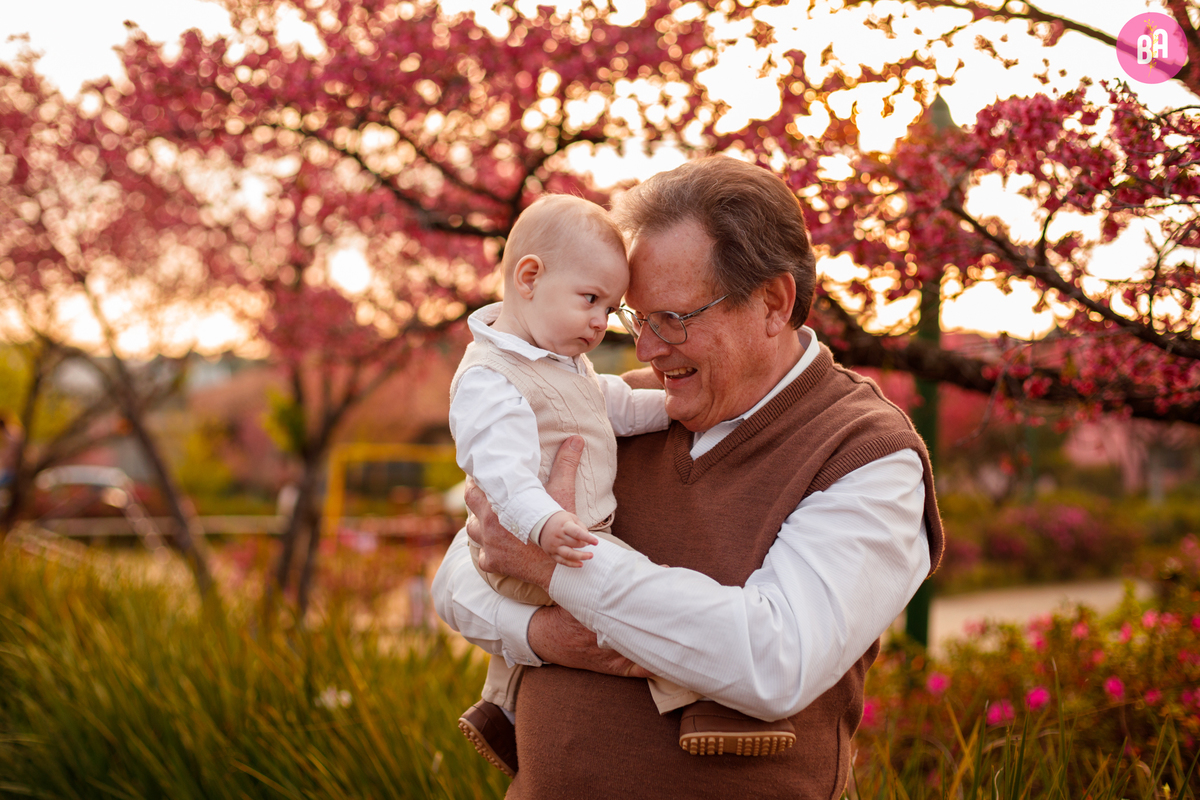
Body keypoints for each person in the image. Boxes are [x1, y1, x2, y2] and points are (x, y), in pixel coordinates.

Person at [433, 157, 945, 798]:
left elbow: (772, 661)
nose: (644, 349)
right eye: (635, 318)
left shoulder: (866, 454)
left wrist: (560, 570)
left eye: (673, 318)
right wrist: (539, 633)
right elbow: (460, 573)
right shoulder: (612, 409)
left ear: (773, 303)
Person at [448, 194, 796, 779]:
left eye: (612, 309)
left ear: (773, 303)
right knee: (647, 601)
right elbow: (501, 475)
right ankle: (704, 704)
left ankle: (499, 710)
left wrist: (676, 408)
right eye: (593, 301)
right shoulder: (491, 379)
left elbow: (615, 406)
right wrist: (543, 529)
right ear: (529, 278)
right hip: (551, 534)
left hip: (552, 538)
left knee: (629, 601)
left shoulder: (562, 365)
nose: (603, 326)